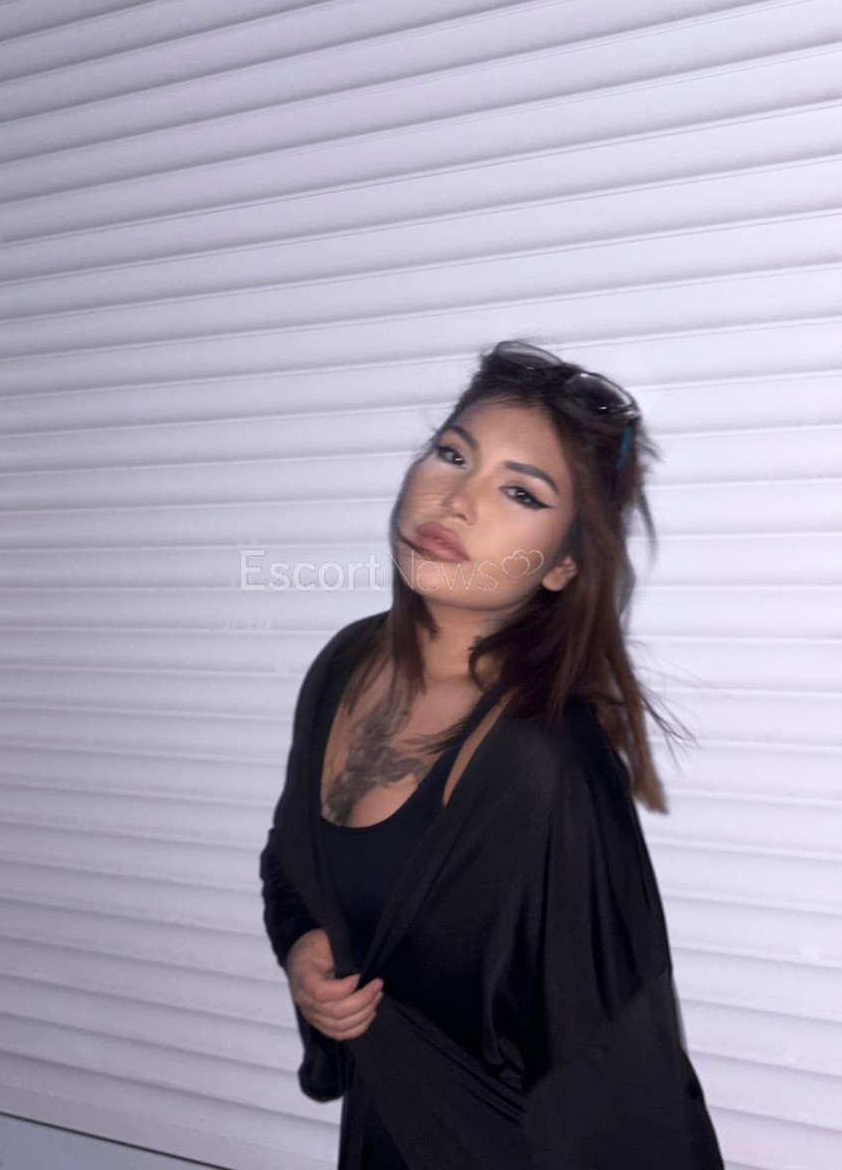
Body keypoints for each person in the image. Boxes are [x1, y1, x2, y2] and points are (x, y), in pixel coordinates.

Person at [260, 338, 725, 1169]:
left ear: (563, 566)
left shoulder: (544, 765)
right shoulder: (345, 664)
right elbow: (293, 862)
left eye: (519, 491)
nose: (457, 499)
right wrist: (303, 947)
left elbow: (617, 1073)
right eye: (451, 454)